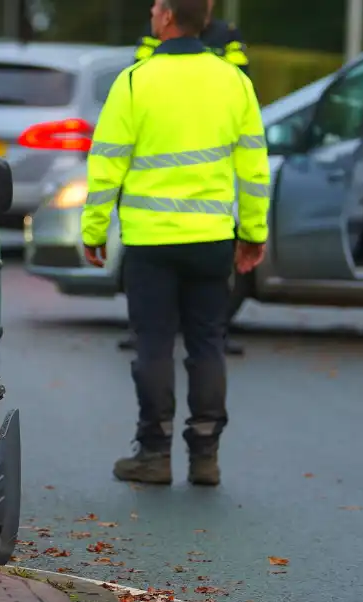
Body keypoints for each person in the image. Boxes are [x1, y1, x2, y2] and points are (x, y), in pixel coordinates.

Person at [81, 0, 269, 486]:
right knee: (208, 343)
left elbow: (106, 164)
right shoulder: (235, 82)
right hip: (210, 239)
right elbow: (253, 168)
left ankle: (155, 452)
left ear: (166, 17)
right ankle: (205, 457)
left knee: (154, 345)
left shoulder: (135, 81)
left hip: (150, 242)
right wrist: (252, 233)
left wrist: (94, 229)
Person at [119, 0, 251, 355]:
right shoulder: (164, 39)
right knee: (197, 332)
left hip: (194, 175)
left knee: (162, 336)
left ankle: (156, 406)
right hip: (194, 188)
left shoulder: (226, 35)